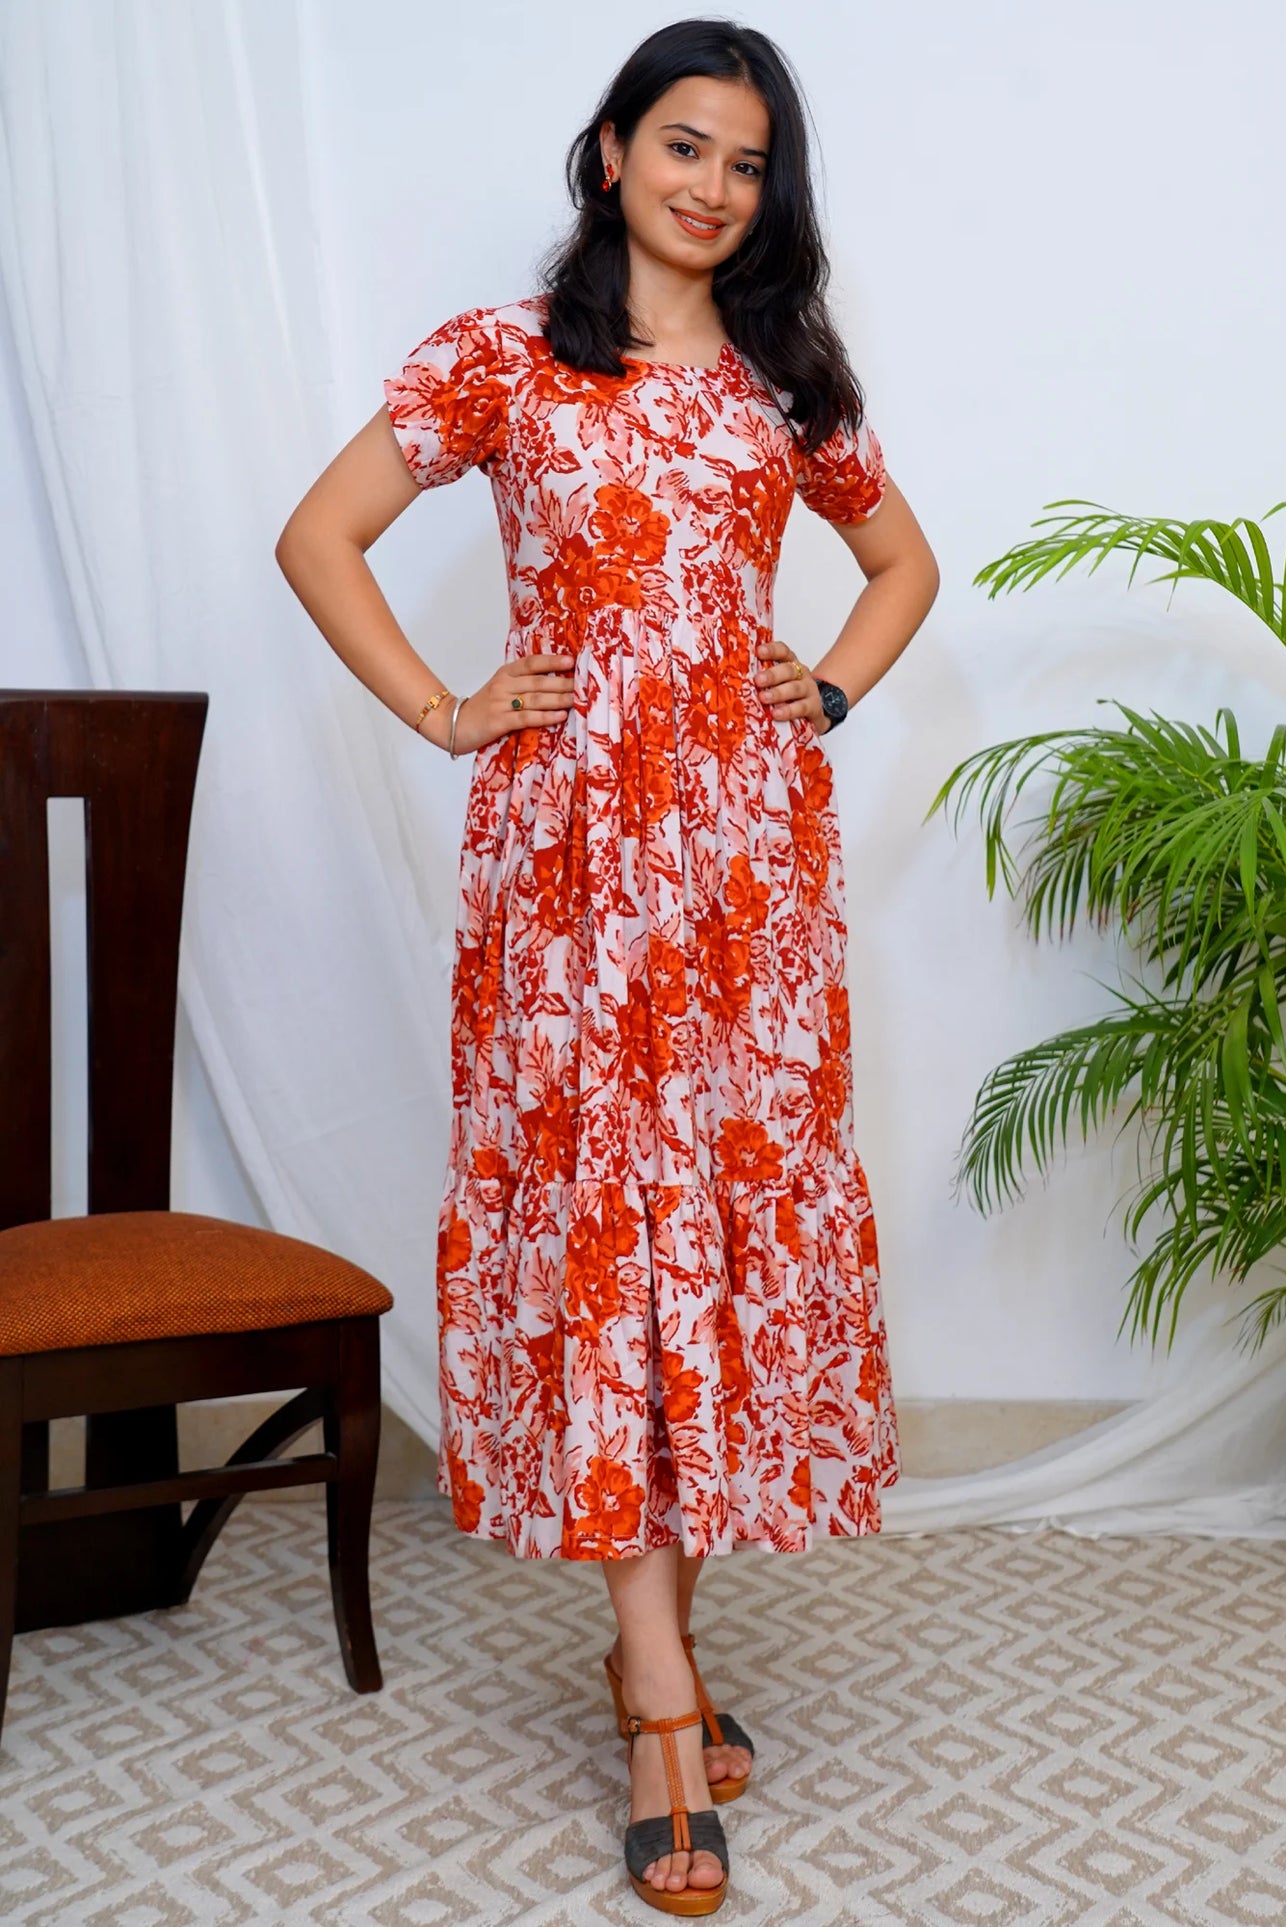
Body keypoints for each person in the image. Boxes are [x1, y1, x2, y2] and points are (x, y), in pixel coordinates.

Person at [276, 16, 938, 1914]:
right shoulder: (503, 358)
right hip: (567, 862)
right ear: (609, 155)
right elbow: (321, 536)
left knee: (717, 1217)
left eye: (745, 163)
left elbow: (903, 568)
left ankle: (651, 1639)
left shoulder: (786, 379)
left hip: (741, 863)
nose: (712, 187)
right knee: (602, 1213)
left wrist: (812, 685)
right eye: (683, 148)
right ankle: (660, 1693)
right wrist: (444, 706)